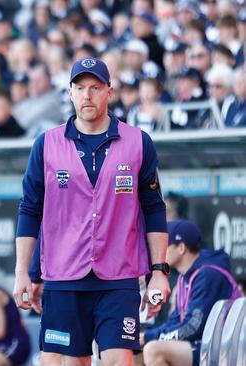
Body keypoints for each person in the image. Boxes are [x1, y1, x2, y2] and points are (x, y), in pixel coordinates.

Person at [13, 57, 171, 365]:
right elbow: (30, 210)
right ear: (70, 92)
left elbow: (154, 209)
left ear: (109, 92)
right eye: (80, 88)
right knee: (66, 361)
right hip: (63, 277)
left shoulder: (139, 142)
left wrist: (159, 272)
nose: (87, 95)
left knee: (119, 360)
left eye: (95, 87)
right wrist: (23, 273)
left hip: (118, 277)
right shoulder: (46, 144)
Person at [141, 220, 243, 366]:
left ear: (181, 248)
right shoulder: (184, 277)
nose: (157, 252)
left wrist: (150, 337)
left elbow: (193, 327)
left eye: (164, 246)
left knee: (153, 350)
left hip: (223, 348)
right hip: (203, 344)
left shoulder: (208, 274)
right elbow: (176, 321)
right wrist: (146, 336)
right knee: (136, 348)